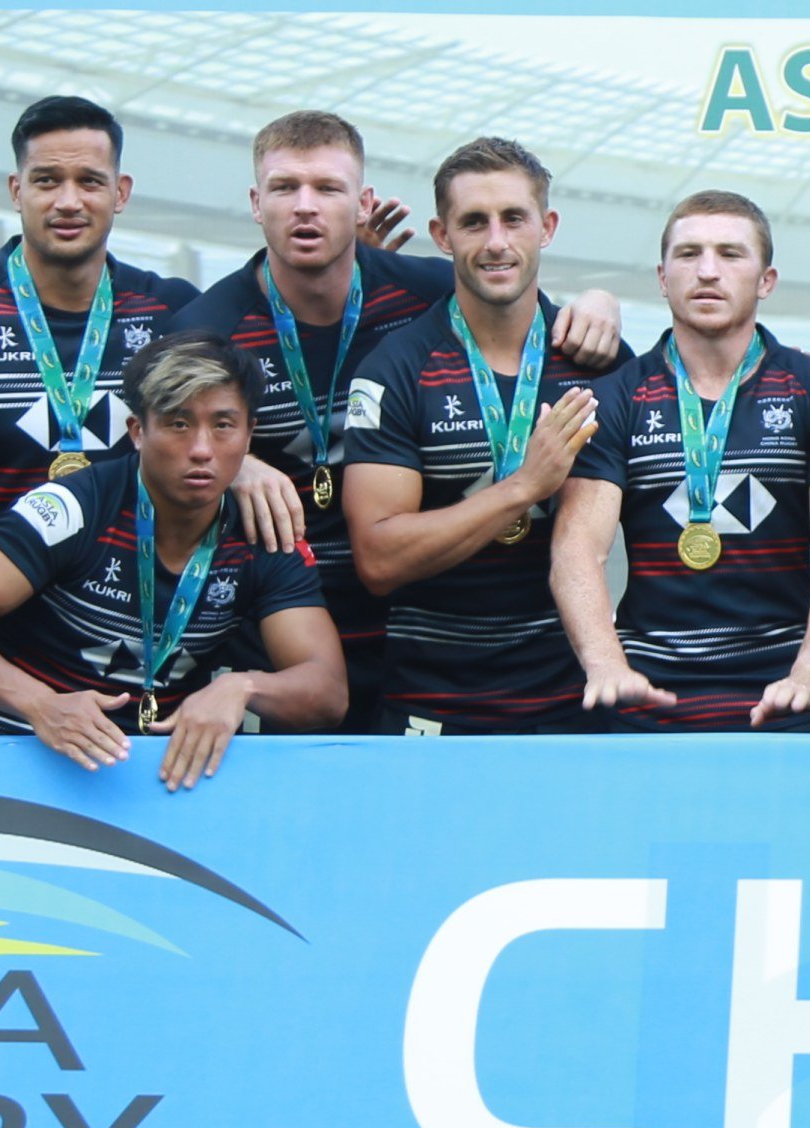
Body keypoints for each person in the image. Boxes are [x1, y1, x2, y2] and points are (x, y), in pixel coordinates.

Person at [180, 109, 624, 730]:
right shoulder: (204, 331)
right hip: (294, 633)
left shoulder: (429, 291)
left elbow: (505, 286)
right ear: (257, 202)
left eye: (327, 189)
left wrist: (601, 305)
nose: (306, 207)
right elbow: (146, 438)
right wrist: (235, 461)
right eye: (286, 188)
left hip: (446, 646)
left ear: (361, 205)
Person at [0, 333, 342, 789]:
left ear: (249, 434)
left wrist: (243, 687)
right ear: (137, 431)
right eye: (178, 423)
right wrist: (41, 705)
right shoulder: (72, 507)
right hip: (18, 754)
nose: (201, 449)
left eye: (223, 425)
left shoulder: (263, 532)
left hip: (161, 778)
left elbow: (327, 690)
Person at [341, 137, 610, 734]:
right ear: (442, 236)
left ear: (548, 227)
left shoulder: (595, 361)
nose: (496, 242)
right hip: (431, 708)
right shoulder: (396, 367)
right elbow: (379, 560)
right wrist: (523, 488)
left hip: (570, 707)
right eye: (473, 222)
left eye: (514, 219)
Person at [555, 189, 810, 729]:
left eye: (730, 254)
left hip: (780, 696)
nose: (707, 271)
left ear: (766, 281)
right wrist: (606, 667)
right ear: (663, 278)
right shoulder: (617, 395)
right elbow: (577, 550)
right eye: (688, 255)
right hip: (644, 695)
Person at [0, 95, 218, 518]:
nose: (68, 201)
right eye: (47, 180)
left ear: (120, 193)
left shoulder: (173, 312)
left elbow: (222, 433)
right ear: (17, 190)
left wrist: (246, 465)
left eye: (89, 181)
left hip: (134, 578)